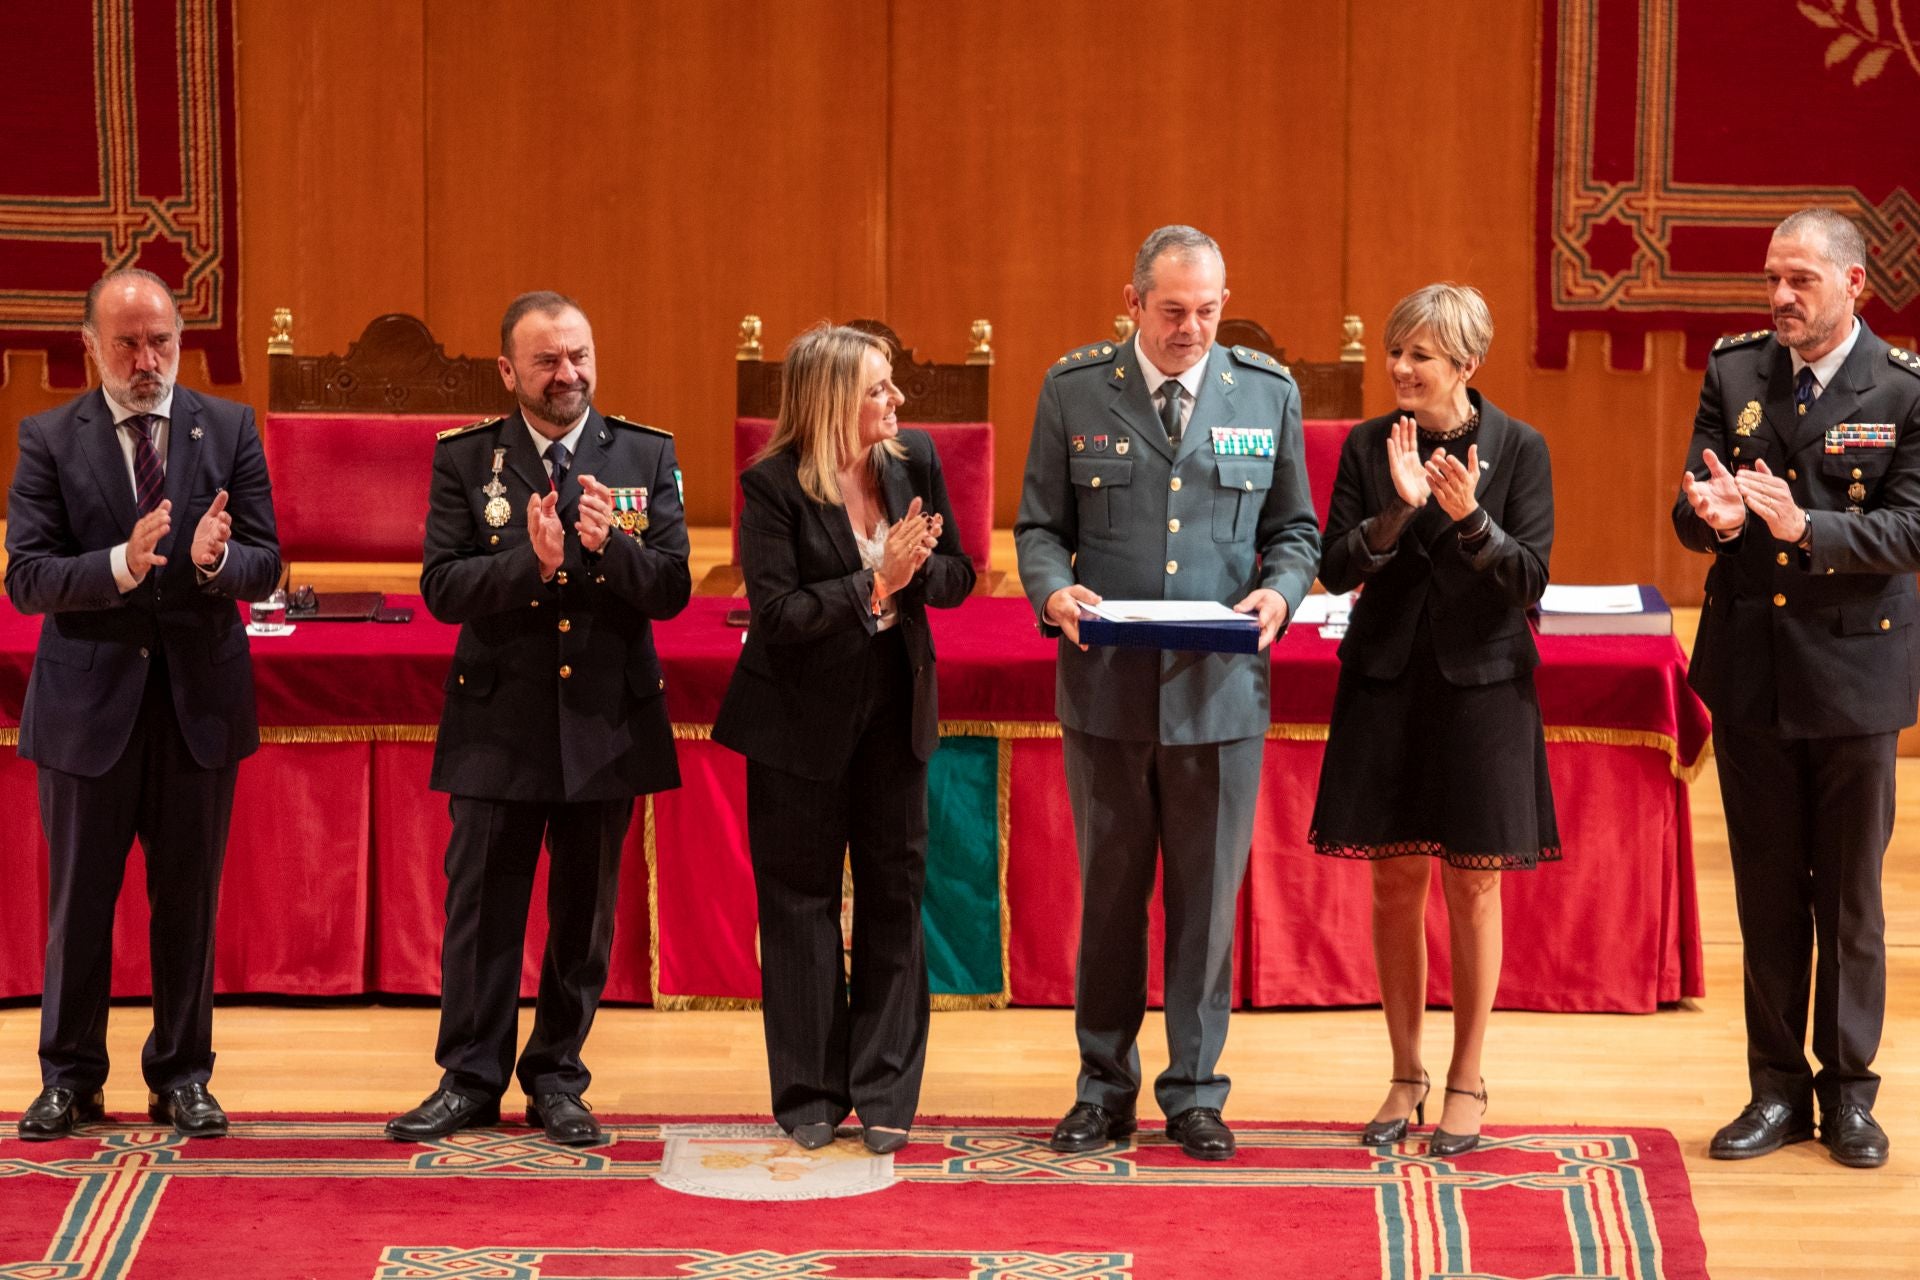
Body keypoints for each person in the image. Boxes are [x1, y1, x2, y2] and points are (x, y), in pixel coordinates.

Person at [1014, 226, 1320, 1160]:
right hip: (1106, 693)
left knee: (1205, 904)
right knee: (1109, 900)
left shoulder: (1265, 393)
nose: (1193, 328)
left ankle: (1195, 1093)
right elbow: (1036, 526)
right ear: (1134, 301)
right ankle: (1103, 1088)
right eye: (1175, 309)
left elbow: (1296, 530)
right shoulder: (1074, 390)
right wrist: (1052, 591)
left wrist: (1281, 590)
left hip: (1220, 695)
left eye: (1209, 310)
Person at [386, 291, 689, 1148]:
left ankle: (558, 1077)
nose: (569, 374)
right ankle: (469, 1078)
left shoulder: (642, 451)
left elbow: (672, 589)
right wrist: (532, 562)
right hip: (500, 722)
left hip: (603, 722)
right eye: (549, 360)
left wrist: (607, 551)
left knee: (583, 917)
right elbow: (442, 589)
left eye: (580, 356)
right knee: (482, 910)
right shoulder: (466, 460)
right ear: (508, 371)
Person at [6, 268, 281, 1141]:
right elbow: (28, 578)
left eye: (161, 340)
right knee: (81, 902)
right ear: (90, 345)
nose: (147, 359)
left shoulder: (227, 426)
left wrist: (211, 564)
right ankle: (69, 1077)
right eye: (127, 342)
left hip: (197, 704)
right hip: (89, 712)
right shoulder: (49, 437)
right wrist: (122, 564)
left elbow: (267, 561)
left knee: (187, 902)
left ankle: (182, 1075)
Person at [1675, 208, 1920, 1170]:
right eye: (1772, 280)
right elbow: (1692, 513)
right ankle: (1775, 1089)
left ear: (1853, 285)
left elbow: (1911, 530)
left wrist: (1805, 528)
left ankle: (1850, 1094)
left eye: (1801, 282)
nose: (1778, 298)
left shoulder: (1900, 391)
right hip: (1752, 673)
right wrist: (1720, 520)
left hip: (1856, 675)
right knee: (1769, 894)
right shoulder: (1736, 372)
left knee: (1850, 899)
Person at [1309, 283, 1556, 1157]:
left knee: (1474, 880)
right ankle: (1405, 1071)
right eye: (1395, 351)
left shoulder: (1519, 448)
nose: (1401, 368)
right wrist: (1400, 508)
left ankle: (1467, 1076)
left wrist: (1469, 518)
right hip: (1386, 680)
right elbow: (1335, 567)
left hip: (1483, 685)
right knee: (1392, 879)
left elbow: (1529, 579)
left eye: (1420, 355)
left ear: (1467, 364)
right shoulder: (1370, 446)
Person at [714, 324, 974, 1154]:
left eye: (891, 384)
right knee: (802, 906)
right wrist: (874, 583)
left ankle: (888, 1088)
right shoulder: (772, 487)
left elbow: (961, 576)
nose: (895, 401)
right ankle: (812, 1095)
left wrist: (913, 574)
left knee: (896, 898)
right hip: (797, 724)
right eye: (877, 389)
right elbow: (779, 616)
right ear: (832, 402)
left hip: (895, 715)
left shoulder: (915, 463)